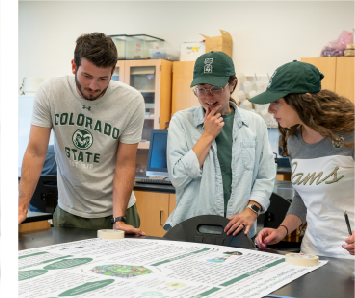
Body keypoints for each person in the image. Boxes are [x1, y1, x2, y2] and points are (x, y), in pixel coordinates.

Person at [18, 33, 146, 236]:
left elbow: (125, 163)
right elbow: (35, 152)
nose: (93, 86)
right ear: (73, 66)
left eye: (103, 79)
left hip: (116, 212)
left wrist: (119, 218)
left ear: (113, 72)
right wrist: (21, 207)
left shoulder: (131, 101)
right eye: (87, 76)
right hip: (69, 211)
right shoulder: (51, 92)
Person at [251, 61, 355, 258]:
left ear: (304, 100)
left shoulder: (350, 135)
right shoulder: (294, 140)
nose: (270, 110)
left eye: (277, 102)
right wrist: (281, 231)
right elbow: (302, 198)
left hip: (349, 257)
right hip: (312, 253)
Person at [165, 52, 276, 237]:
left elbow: (265, 176)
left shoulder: (255, 123)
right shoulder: (182, 121)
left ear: (232, 84)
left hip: (238, 231)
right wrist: (207, 135)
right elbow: (178, 177)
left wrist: (252, 210)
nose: (208, 96)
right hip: (193, 228)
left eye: (216, 88)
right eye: (201, 89)